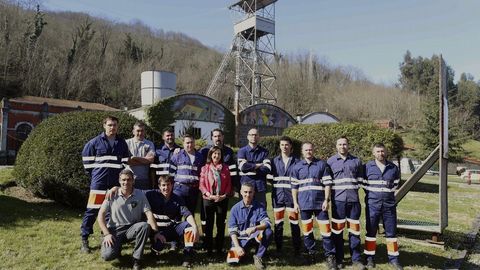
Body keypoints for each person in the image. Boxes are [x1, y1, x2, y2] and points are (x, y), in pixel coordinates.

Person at [80, 116, 130, 253]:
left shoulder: (122, 143)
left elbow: (125, 164)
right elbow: (88, 165)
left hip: (114, 185)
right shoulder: (94, 143)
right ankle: (84, 239)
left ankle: (105, 237)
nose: (112, 127)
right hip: (98, 184)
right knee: (92, 211)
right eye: (109, 125)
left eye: (114, 125)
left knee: (111, 212)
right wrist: (97, 176)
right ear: (104, 126)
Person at [97, 169, 162, 270]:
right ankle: (116, 248)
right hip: (115, 230)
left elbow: (149, 214)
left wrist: (156, 232)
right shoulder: (111, 194)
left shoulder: (140, 195)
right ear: (119, 181)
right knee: (107, 256)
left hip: (132, 228)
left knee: (144, 226)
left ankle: (137, 259)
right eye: (123, 180)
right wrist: (106, 234)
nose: (126, 182)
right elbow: (101, 215)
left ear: (133, 181)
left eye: (128, 179)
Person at [291, 142, 336, 269]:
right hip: (304, 204)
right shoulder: (297, 167)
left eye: (310, 149)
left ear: (313, 150)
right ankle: (310, 254)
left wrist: (326, 200)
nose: (308, 152)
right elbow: (294, 187)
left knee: (326, 231)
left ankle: (330, 256)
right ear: (302, 151)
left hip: (320, 204)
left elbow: (327, 184)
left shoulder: (322, 164)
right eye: (306, 150)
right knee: (307, 231)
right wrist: (295, 203)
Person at [363, 143, 403, 270]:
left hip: (389, 205)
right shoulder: (367, 167)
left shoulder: (393, 167)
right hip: (372, 204)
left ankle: (394, 259)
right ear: (373, 153)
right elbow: (364, 184)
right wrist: (374, 195)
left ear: (385, 152)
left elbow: (396, 183)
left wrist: (385, 194)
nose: (380, 153)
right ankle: (369, 258)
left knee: (391, 233)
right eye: (378, 151)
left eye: (382, 151)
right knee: (371, 232)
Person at [327, 137, 365, 269]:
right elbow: (328, 182)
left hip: (354, 201)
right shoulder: (330, 162)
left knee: (354, 231)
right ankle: (339, 258)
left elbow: (360, 180)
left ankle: (356, 259)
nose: (342, 146)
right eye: (340, 144)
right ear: (336, 146)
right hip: (338, 201)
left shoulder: (356, 161)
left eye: (345, 144)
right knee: (337, 232)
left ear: (348, 145)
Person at [146, 175, 200, 268]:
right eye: (163, 185)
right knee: (158, 246)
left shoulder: (177, 198)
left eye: (168, 185)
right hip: (156, 231)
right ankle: (154, 250)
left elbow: (187, 214)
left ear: (172, 185)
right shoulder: (151, 194)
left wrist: (195, 228)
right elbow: (134, 191)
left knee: (188, 226)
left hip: (171, 229)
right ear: (159, 186)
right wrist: (116, 188)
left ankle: (187, 255)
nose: (166, 188)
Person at [199, 128, 238, 242]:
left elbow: (233, 172)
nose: (217, 138)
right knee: (206, 219)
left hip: (223, 194)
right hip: (208, 194)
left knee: (221, 220)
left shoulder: (229, 152)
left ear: (223, 137)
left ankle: (219, 242)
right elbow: (203, 172)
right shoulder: (204, 150)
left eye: (219, 136)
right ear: (212, 138)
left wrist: (232, 189)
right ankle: (206, 241)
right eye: (215, 136)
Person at [266, 136, 301, 254]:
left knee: (294, 223)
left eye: (287, 145)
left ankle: (297, 249)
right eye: (282, 145)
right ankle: (278, 248)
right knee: (278, 223)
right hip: (278, 197)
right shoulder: (274, 161)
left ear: (291, 146)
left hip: (292, 197)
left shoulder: (297, 161)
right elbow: (269, 177)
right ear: (279, 146)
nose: (284, 147)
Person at [227, 182, 273, 270]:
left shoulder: (260, 207)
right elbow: (232, 231)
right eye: (245, 192)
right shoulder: (234, 209)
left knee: (268, 232)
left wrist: (255, 228)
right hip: (241, 239)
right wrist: (237, 247)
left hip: (255, 237)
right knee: (232, 262)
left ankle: (258, 256)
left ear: (254, 192)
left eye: (250, 192)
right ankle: (245, 251)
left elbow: (268, 223)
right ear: (241, 192)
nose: (247, 195)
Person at [199, 146, 233, 255]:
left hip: (222, 199)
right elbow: (202, 184)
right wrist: (209, 194)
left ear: (221, 156)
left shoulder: (226, 168)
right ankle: (209, 248)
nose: (216, 156)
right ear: (210, 155)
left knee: (220, 223)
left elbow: (229, 184)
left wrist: (224, 195)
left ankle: (219, 247)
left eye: (218, 154)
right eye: (214, 153)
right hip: (208, 199)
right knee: (209, 224)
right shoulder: (205, 168)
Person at [170, 134, 204, 215]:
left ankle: (189, 227)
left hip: (193, 190)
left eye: (192, 142)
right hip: (179, 189)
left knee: (190, 214)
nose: (190, 145)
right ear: (183, 143)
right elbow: (170, 173)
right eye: (187, 143)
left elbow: (202, 174)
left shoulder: (200, 156)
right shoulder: (177, 155)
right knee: (176, 213)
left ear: (194, 143)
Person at [237, 128, 271, 207]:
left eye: (256, 135)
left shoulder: (264, 152)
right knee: (245, 210)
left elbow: (267, 168)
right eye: (251, 135)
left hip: (260, 187)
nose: (253, 137)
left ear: (259, 137)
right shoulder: (242, 151)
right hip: (246, 186)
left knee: (261, 211)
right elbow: (243, 167)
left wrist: (250, 167)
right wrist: (257, 165)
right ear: (247, 137)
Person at [126, 121, 155, 190]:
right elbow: (128, 161)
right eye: (138, 131)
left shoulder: (150, 144)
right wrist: (144, 160)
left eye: (142, 131)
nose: (140, 133)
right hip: (128, 179)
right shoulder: (127, 143)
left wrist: (135, 158)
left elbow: (151, 160)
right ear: (133, 131)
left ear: (145, 132)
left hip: (144, 180)